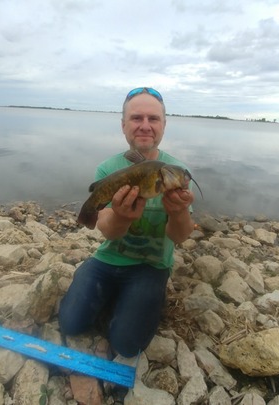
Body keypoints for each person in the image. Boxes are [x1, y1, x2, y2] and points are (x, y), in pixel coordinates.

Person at [58, 87, 195, 357]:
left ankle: (128, 301)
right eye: (136, 118)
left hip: (151, 266)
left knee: (127, 345)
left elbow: (180, 236)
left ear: (164, 125)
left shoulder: (177, 171)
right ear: (123, 125)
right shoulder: (107, 168)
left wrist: (179, 212)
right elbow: (108, 231)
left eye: (153, 119)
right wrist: (121, 216)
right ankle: (112, 295)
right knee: (70, 323)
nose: (145, 125)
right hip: (108, 259)